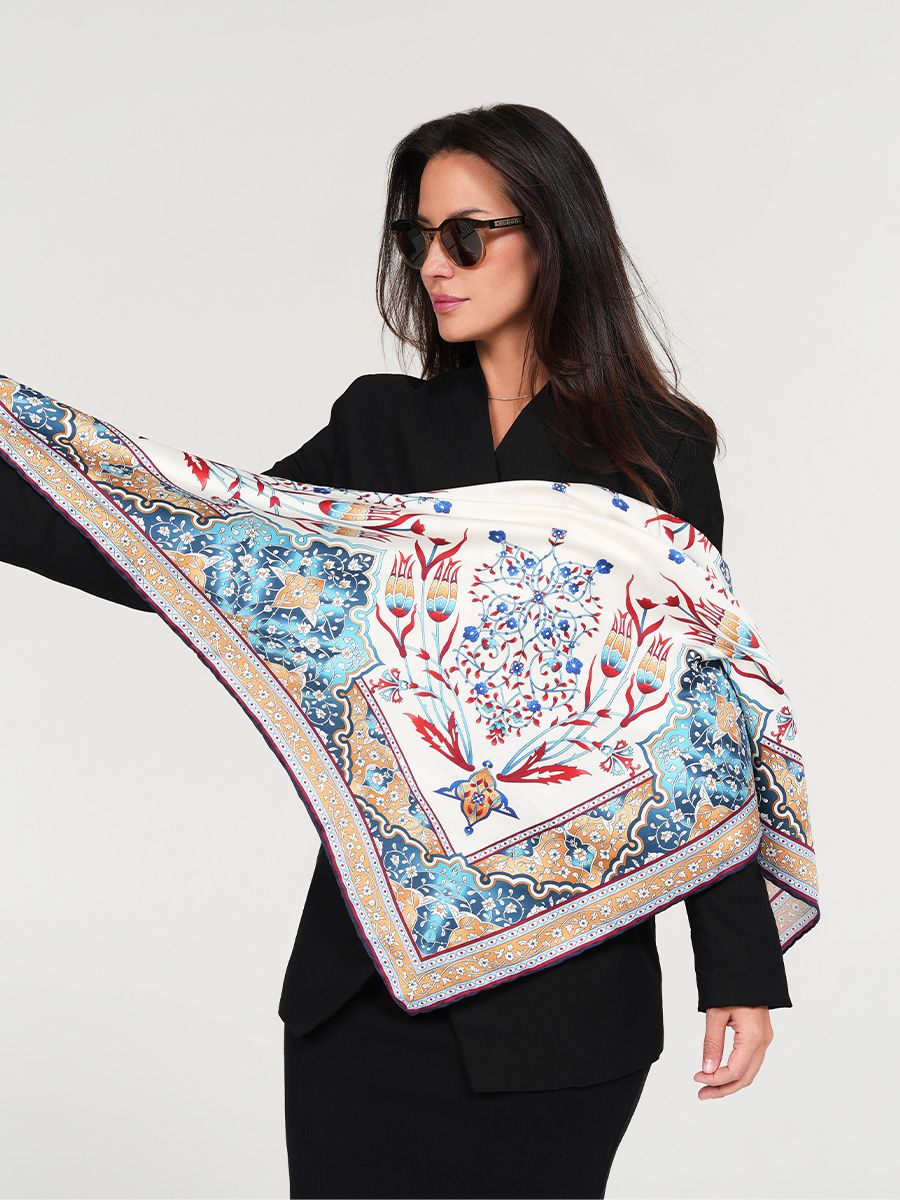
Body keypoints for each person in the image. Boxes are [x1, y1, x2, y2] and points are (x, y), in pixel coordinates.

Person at [0, 103, 792, 1200]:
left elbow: (693, 724)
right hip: (366, 996)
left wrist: (735, 966)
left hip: (566, 1002)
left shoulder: (655, 452)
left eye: (466, 235)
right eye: (416, 237)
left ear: (553, 234)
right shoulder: (382, 429)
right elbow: (200, 549)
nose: (433, 265)